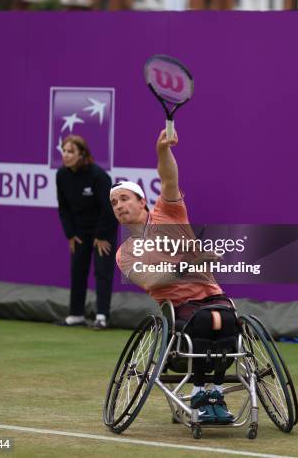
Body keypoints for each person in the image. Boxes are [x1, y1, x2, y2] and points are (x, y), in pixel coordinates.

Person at [110, 129, 237, 423]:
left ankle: (215, 393)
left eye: (124, 199)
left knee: (230, 322)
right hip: (179, 311)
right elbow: (151, 282)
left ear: (142, 201)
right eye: (114, 204)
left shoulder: (169, 212)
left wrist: (162, 151)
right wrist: (187, 265)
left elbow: (168, 178)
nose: (119, 206)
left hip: (214, 296)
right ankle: (202, 394)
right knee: (207, 322)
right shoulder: (125, 253)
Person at [56, 135, 117, 329]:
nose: (66, 155)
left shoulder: (98, 176)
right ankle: (76, 315)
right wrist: (70, 234)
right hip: (80, 232)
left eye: (71, 152)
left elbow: (109, 209)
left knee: (102, 272)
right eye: (64, 151)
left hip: (103, 230)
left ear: (82, 154)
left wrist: (100, 236)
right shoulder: (61, 176)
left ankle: (101, 317)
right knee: (77, 271)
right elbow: (64, 208)